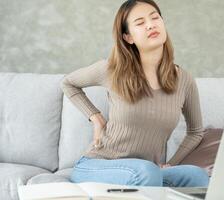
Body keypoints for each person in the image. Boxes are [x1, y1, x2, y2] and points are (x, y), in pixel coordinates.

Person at [60, 0, 209, 187]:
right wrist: (96, 118)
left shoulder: (184, 80)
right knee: (146, 172)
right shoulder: (111, 69)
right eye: (140, 22)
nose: (151, 24)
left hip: (147, 170)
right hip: (98, 165)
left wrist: (170, 163)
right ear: (128, 37)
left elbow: (195, 132)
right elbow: (68, 83)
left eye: (155, 18)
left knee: (197, 176)